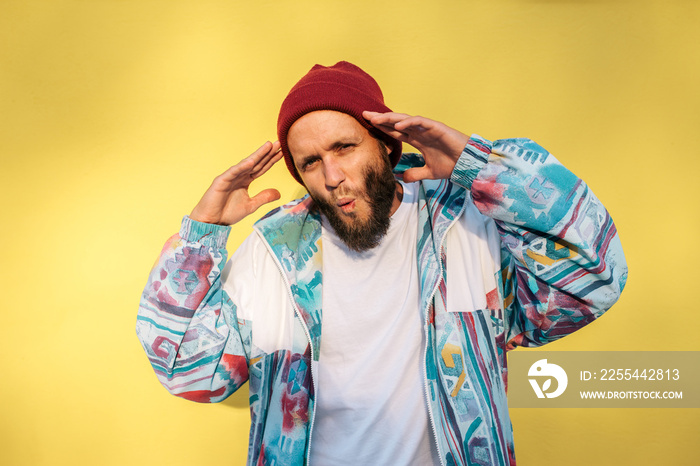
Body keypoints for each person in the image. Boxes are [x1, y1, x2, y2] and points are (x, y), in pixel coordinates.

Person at [136, 61, 627, 465]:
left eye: (344, 147)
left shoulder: (464, 223)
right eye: (310, 162)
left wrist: (485, 168)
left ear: (386, 143)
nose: (331, 176)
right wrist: (200, 237)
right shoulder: (275, 250)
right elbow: (190, 371)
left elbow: (594, 275)